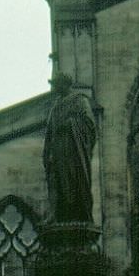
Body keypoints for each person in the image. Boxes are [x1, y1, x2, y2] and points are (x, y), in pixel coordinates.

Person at [43, 71, 97, 223]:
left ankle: (76, 214)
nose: (53, 88)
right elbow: (49, 131)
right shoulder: (55, 106)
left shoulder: (79, 100)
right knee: (55, 181)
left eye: (55, 84)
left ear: (64, 84)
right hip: (57, 152)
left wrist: (71, 124)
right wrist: (47, 153)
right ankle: (55, 214)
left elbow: (90, 124)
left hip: (73, 153)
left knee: (72, 181)